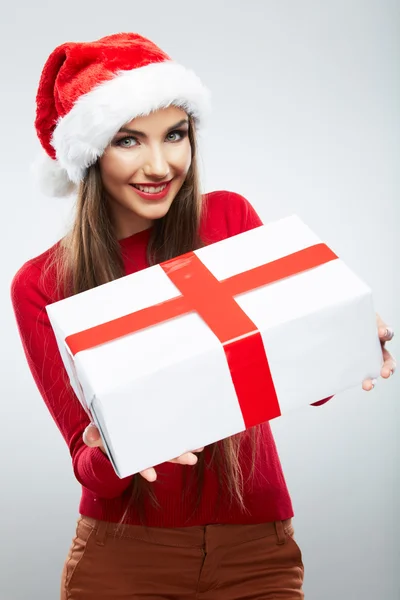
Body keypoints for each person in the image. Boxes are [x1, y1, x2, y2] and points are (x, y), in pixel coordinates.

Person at [10, 32, 396, 600]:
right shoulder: (43, 285)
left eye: (175, 134)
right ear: (91, 154)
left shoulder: (229, 220)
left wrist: (342, 337)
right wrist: (114, 446)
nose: (161, 164)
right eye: (128, 141)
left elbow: (294, 377)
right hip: (124, 557)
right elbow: (87, 465)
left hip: (256, 549)